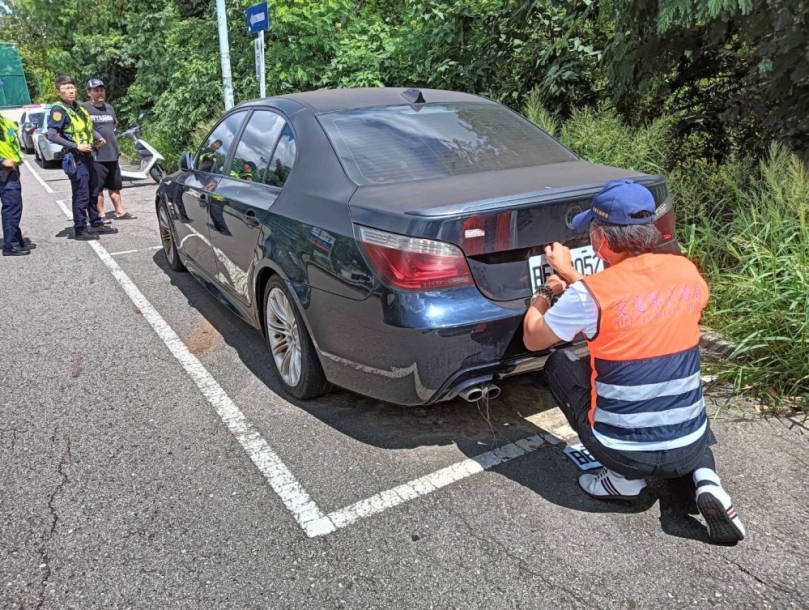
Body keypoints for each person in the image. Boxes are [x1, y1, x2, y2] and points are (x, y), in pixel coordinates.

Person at [523, 179, 745, 544]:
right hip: (689, 444)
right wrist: (576, 279)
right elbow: (634, 299)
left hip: (622, 451)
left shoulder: (588, 296)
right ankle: (709, 482)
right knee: (682, 402)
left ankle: (622, 481)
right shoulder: (686, 273)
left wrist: (548, 290)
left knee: (559, 363)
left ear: (600, 240)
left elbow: (534, 337)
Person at [47, 75, 117, 241]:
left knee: (94, 190)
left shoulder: (79, 108)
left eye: (72, 88)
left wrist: (98, 138)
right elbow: (51, 135)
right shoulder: (58, 110)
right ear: (58, 91)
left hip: (88, 154)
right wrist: (76, 146)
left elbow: (88, 128)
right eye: (66, 89)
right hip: (75, 157)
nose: (70, 91)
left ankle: (96, 222)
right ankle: (80, 229)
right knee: (81, 193)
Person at [82, 78, 136, 221]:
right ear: (89, 92)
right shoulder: (84, 108)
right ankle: (101, 215)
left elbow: (113, 124)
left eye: (101, 90)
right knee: (98, 187)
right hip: (96, 154)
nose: (100, 93)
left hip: (112, 152)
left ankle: (120, 211)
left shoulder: (109, 107)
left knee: (115, 185)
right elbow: (82, 129)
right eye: (96, 90)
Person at [0, 113, 33, 256]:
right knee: (12, 206)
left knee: (13, 206)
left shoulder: (4, 121)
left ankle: (15, 239)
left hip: (10, 169)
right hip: (4, 169)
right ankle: (11, 244)